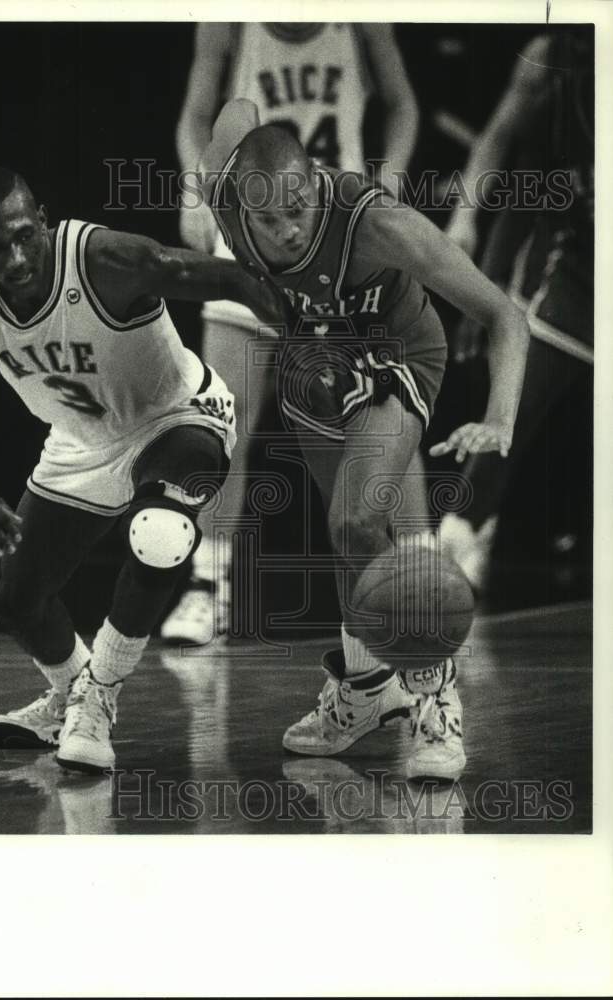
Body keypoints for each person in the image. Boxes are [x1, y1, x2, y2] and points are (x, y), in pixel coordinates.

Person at [0, 166, 290, 772]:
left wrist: (309, 333)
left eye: (23, 236)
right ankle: (68, 694)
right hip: (81, 444)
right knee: (15, 601)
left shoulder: (104, 260)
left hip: (179, 417)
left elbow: (230, 279)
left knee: (160, 535)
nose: (15, 258)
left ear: (42, 219)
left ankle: (99, 699)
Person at [198, 100, 531, 779]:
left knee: (356, 516)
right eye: (271, 219)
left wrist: (497, 418)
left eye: (299, 208)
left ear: (314, 183)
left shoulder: (372, 222)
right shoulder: (222, 191)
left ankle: (436, 700)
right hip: (314, 362)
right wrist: (250, 127)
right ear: (239, 202)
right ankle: (364, 688)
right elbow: (234, 113)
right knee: (348, 540)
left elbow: (502, 315)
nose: (289, 231)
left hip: (396, 358)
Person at [164, 22, 422, 644]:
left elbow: (404, 105)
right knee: (225, 413)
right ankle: (207, 584)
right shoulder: (227, 21)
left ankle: (419, 572)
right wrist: (197, 191)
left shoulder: (361, 21)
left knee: (387, 402)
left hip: (334, 227)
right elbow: (195, 117)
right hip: (254, 228)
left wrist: (387, 183)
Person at [440, 29, 593, 589]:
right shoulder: (552, 60)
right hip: (579, 275)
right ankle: (460, 538)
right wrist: (463, 222)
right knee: (513, 406)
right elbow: (497, 143)